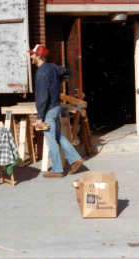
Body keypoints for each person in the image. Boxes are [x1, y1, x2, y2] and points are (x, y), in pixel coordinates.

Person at [29, 44, 84, 178]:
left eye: (33, 54)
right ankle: (75, 158)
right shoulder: (53, 66)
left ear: (39, 56)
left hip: (48, 109)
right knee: (56, 135)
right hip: (56, 106)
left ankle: (57, 170)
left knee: (50, 139)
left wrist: (39, 116)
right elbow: (66, 72)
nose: (31, 56)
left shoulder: (41, 73)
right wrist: (56, 83)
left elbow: (42, 98)